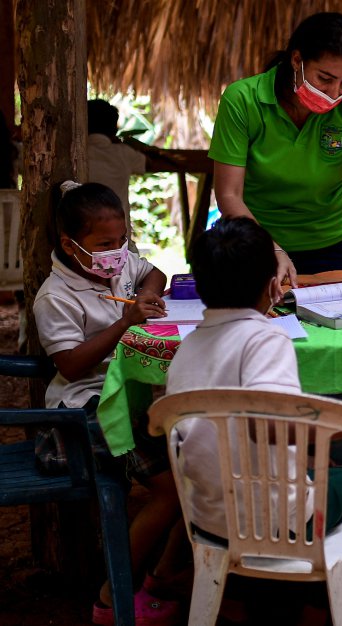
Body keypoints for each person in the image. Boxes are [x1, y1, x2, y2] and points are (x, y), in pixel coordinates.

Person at [162, 216, 342, 544]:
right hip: (276, 525)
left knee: (320, 466)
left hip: (210, 521)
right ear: (273, 287)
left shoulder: (186, 348)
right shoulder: (266, 340)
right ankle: (315, 586)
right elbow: (269, 425)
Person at [33, 181, 183, 625]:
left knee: (196, 466)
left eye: (121, 242)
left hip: (122, 396)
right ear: (69, 244)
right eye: (104, 245)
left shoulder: (114, 265)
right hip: (84, 410)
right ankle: (110, 596)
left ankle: (163, 577)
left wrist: (142, 294)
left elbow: (153, 273)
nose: (116, 253)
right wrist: (124, 323)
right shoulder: (54, 297)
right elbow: (73, 365)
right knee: (173, 490)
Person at [208, 12, 342, 306]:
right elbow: (228, 194)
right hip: (255, 243)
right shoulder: (243, 99)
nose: (334, 93)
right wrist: (270, 250)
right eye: (324, 78)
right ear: (297, 61)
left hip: (331, 249)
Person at [86, 99, 147, 248]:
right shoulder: (123, 154)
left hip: (84, 242)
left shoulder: (74, 153)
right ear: (114, 129)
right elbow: (149, 163)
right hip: (120, 243)